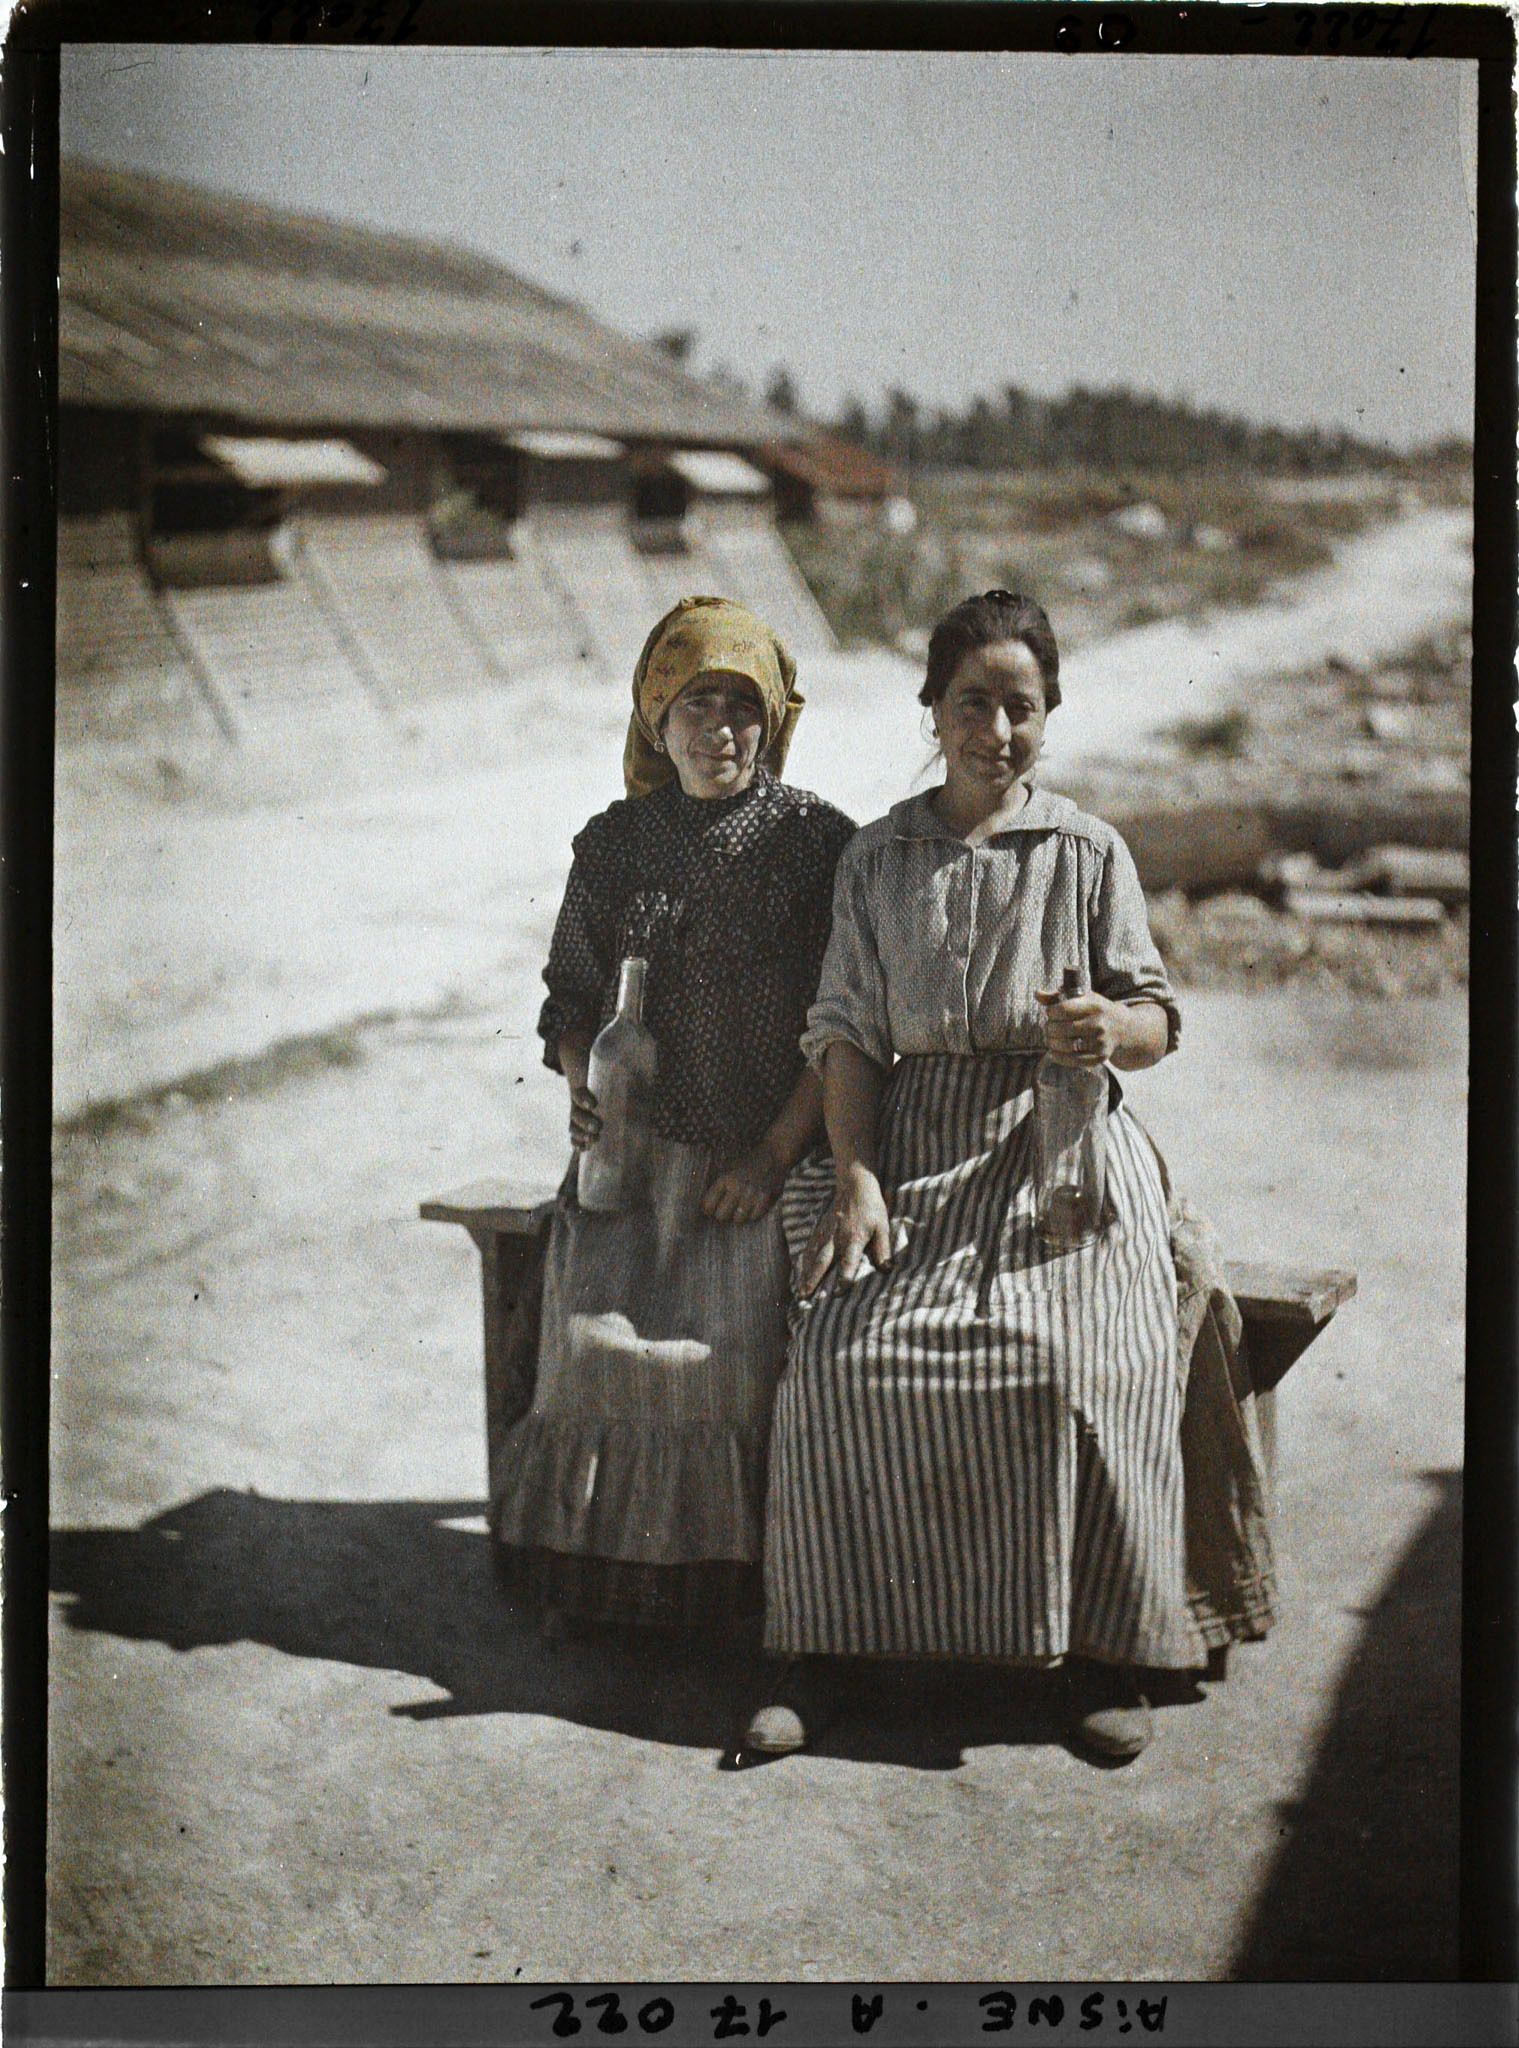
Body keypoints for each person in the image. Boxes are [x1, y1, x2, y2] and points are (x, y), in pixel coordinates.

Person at [742, 590, 1229, 1766]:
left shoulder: (1087, 850)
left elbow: (1161, 1017)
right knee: (841, 1359)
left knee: (1080, 1357)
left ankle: (1102, 1651)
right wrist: (855, 1176)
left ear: (1048, 714)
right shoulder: (876, 855)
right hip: (911, 1143)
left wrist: (1109, 1028)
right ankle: (829, 1651)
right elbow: (849, 1032)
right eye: (974, 703)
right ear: (933, 709)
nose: (996, 730)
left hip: (1059, 1145)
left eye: (1021, 706)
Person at [493, 596, 856, 1636]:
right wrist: (579, 1092)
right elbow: (570, 996)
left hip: (756, 1158)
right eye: (697, 704)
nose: (720, 732)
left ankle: (720, 1599)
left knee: (725, 1361)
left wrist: (774, 1152)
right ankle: (604, 1585)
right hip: (629, 1158)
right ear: (658, 718)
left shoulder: (818, 842)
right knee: (588, 1343)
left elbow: (840, 1021)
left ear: (773, 723)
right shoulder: (613, 843)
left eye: (743, 708)